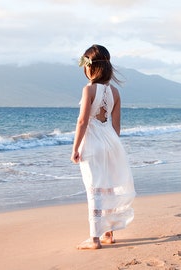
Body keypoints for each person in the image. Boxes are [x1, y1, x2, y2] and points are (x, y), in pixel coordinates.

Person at [71, 44, 136, 250]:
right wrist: (110, 146)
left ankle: (94, 239)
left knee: (94, 189)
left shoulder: (88, 89)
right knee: (108, 188)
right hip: (111, 143)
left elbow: (82, 122)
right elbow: (116, 127)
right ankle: (109, 233)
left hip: (91, 143)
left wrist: (75, 148)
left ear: (90, 67)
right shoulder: (115, 92)